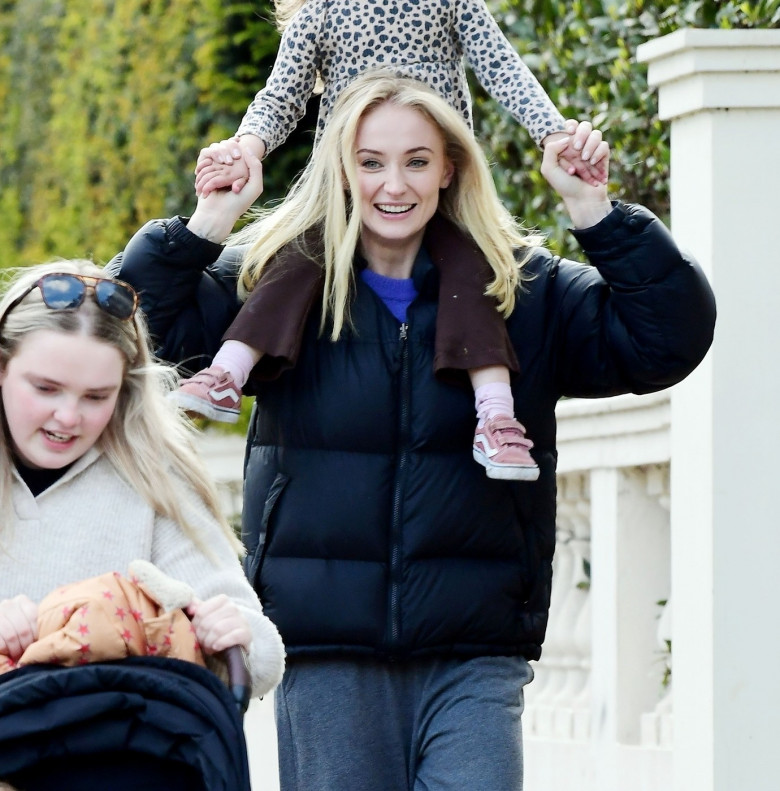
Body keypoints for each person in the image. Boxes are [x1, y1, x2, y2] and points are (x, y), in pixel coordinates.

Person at [110, 72, 716, 791]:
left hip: (475, 650)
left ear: (449, 168)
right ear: (342, 168)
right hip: (327, 649)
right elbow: (127, 325)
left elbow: (667, 339)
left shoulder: (523, 291)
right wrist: (211, 220)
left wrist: (595, 210)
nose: (392, 184)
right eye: (370, 161)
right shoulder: (273, 287)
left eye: (416, 161)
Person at [174, 0, 609, 482]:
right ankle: (227, 373)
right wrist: (244, 148)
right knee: (294, 264)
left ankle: (496, 415)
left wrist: (550, 133)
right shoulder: (320, 13)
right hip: (347, 187)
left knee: (472, 276)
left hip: (436, 186)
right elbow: (281, 96)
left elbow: (501, 65)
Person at [0, 261, 285, 699]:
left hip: (115, 755)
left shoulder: (153, 476)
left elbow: (259, 660)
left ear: (125, 389)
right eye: (46, 388)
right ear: (3, 369)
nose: (69, 417)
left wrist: (235, 635)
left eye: (97, 396)